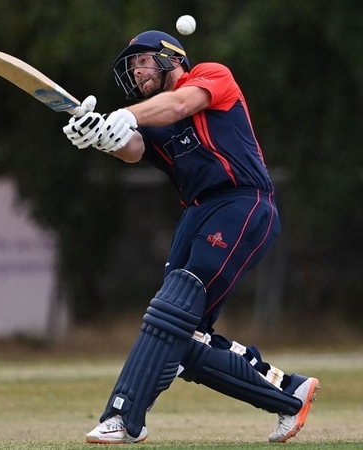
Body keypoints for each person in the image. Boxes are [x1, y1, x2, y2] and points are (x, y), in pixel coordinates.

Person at [62, 30, 319, 444]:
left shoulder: (211, 76)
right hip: (197, 212)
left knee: (171, 313)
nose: (136, 70)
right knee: (181, 339)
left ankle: (124, 417)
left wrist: (127, 114)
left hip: (243, 203)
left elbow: (179, 104)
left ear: (171, 58)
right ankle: (289, 393)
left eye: (143, 60)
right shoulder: (152, 119)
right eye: (131, 65)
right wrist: (97, 135)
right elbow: (131, 147)